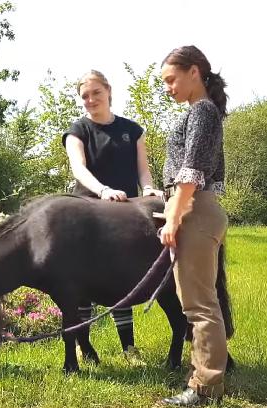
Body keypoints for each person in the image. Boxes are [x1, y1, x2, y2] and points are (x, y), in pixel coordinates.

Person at [62, 70, 164, 359]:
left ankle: (129, 348)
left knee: (121, 278)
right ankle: (83, 345)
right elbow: (78, 169)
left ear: (108, 91)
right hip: (88, 212)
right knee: (83, 281)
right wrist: (103, 190)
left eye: (96, 93)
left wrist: (148, 189)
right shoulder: (77, 130)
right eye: (85, 96)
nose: (90, 100)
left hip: (125, 212)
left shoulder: (132, 130)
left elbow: (143, 170)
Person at [157, 46, 230, 407]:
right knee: (197, 301)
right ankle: (204, 380)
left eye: (171, 79)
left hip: (195, 210)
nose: (167, 87)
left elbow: (193, 171)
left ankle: (205, 386)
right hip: (193, 206)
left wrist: (174, 215)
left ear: (195, 72)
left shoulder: (202, 111)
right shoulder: (201, 111)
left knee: (200, 304)